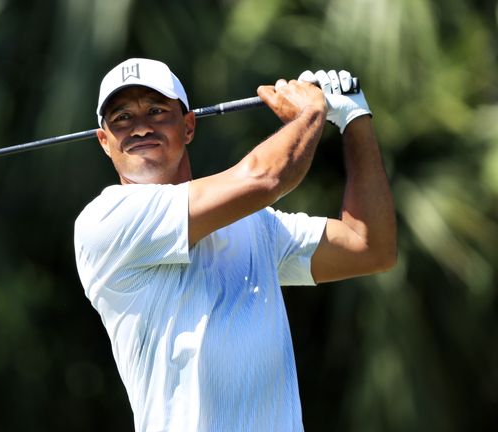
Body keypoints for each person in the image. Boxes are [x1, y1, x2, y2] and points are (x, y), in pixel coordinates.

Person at [73, 58, 396, 431]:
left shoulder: (256, 226)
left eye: (157, 110)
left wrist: (355, 118)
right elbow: (266, 177)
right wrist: (310, 114)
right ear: (104, 141)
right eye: (122, 118)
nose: (140, 127)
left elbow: (371, 247)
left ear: (189, 125)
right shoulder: (106, 220)